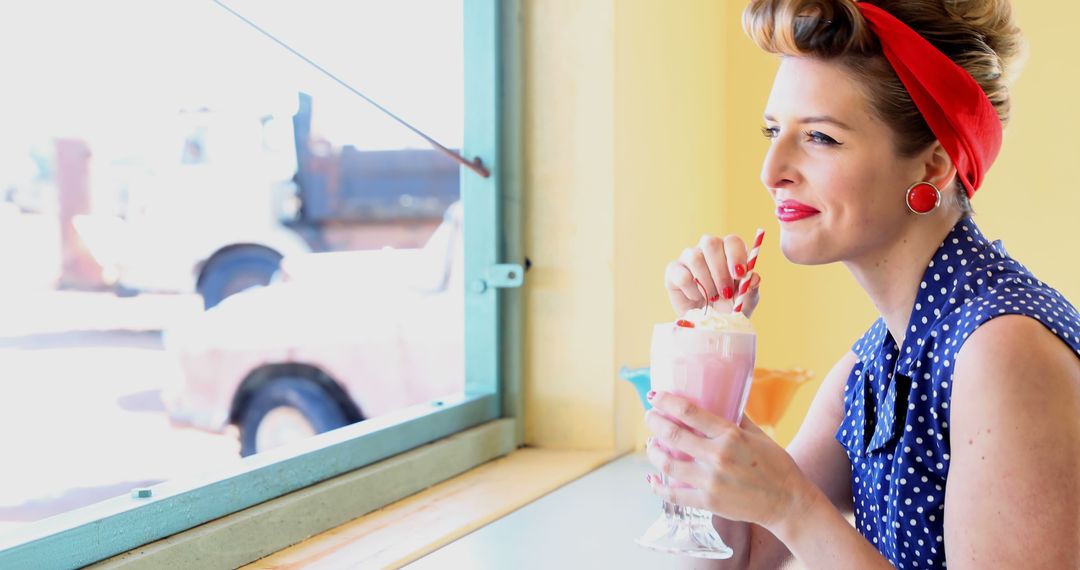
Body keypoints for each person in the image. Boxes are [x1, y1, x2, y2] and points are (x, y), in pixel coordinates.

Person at [644, 0, 1080, 568]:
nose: (771, 168)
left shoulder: (1002, 352)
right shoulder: (874, 367)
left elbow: (781, 515)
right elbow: (741, 557)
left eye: (821, 137)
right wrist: (705, 350)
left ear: (933, 166)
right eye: (773, 130)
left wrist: (792, 505)